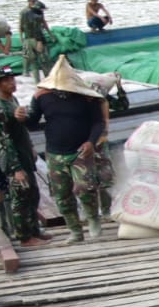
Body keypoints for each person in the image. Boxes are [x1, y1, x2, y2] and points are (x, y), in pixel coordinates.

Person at [15, 56, 107, 244]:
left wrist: (91, 142)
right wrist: (22, 118)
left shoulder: (87, 97)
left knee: (85, 187)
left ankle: (93, 218)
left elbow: (98, 122)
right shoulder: (42, 96)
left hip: (81, 150)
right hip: (55, 152)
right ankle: (75, 230)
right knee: (61, 194)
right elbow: (33, 122)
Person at [0, 64, 49, 246]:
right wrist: (15, 168)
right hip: (13, 159)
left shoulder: (12, 100)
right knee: (20, 198)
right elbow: (3, 141)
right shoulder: (0, 107)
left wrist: (32, 148)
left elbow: (21, 130)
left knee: (33, 194)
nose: (12, 83)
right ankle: (25, 237)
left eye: (12, 79)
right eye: (6, 81)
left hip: (24, 154)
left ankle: (34, 229)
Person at [19, 0, 53, 84]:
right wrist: (40, 41)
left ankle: (37, 82)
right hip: (36, 40)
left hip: (28, 40)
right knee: (44, 62)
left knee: (33, 63)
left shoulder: (24, 12)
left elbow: (21, 27)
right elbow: (38, 30)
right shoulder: (37, 16)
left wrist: (21, 38)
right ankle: (48, 81)